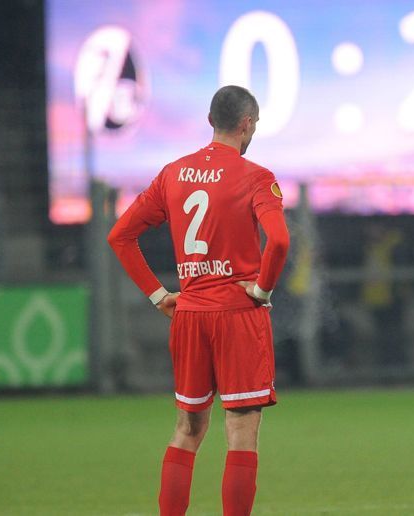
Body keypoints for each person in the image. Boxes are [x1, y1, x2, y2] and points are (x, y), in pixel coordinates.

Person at [107, 85, 290, 515]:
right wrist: (262, 289)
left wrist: (158, 295)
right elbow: (279, 240)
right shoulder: (255, 176)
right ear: (246, 124)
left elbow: (120, 236)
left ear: (211, 121)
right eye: (255, 126)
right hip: (237, 315)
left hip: (189, 315)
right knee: (241, 432)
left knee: (188, 429)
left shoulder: (174, 173)